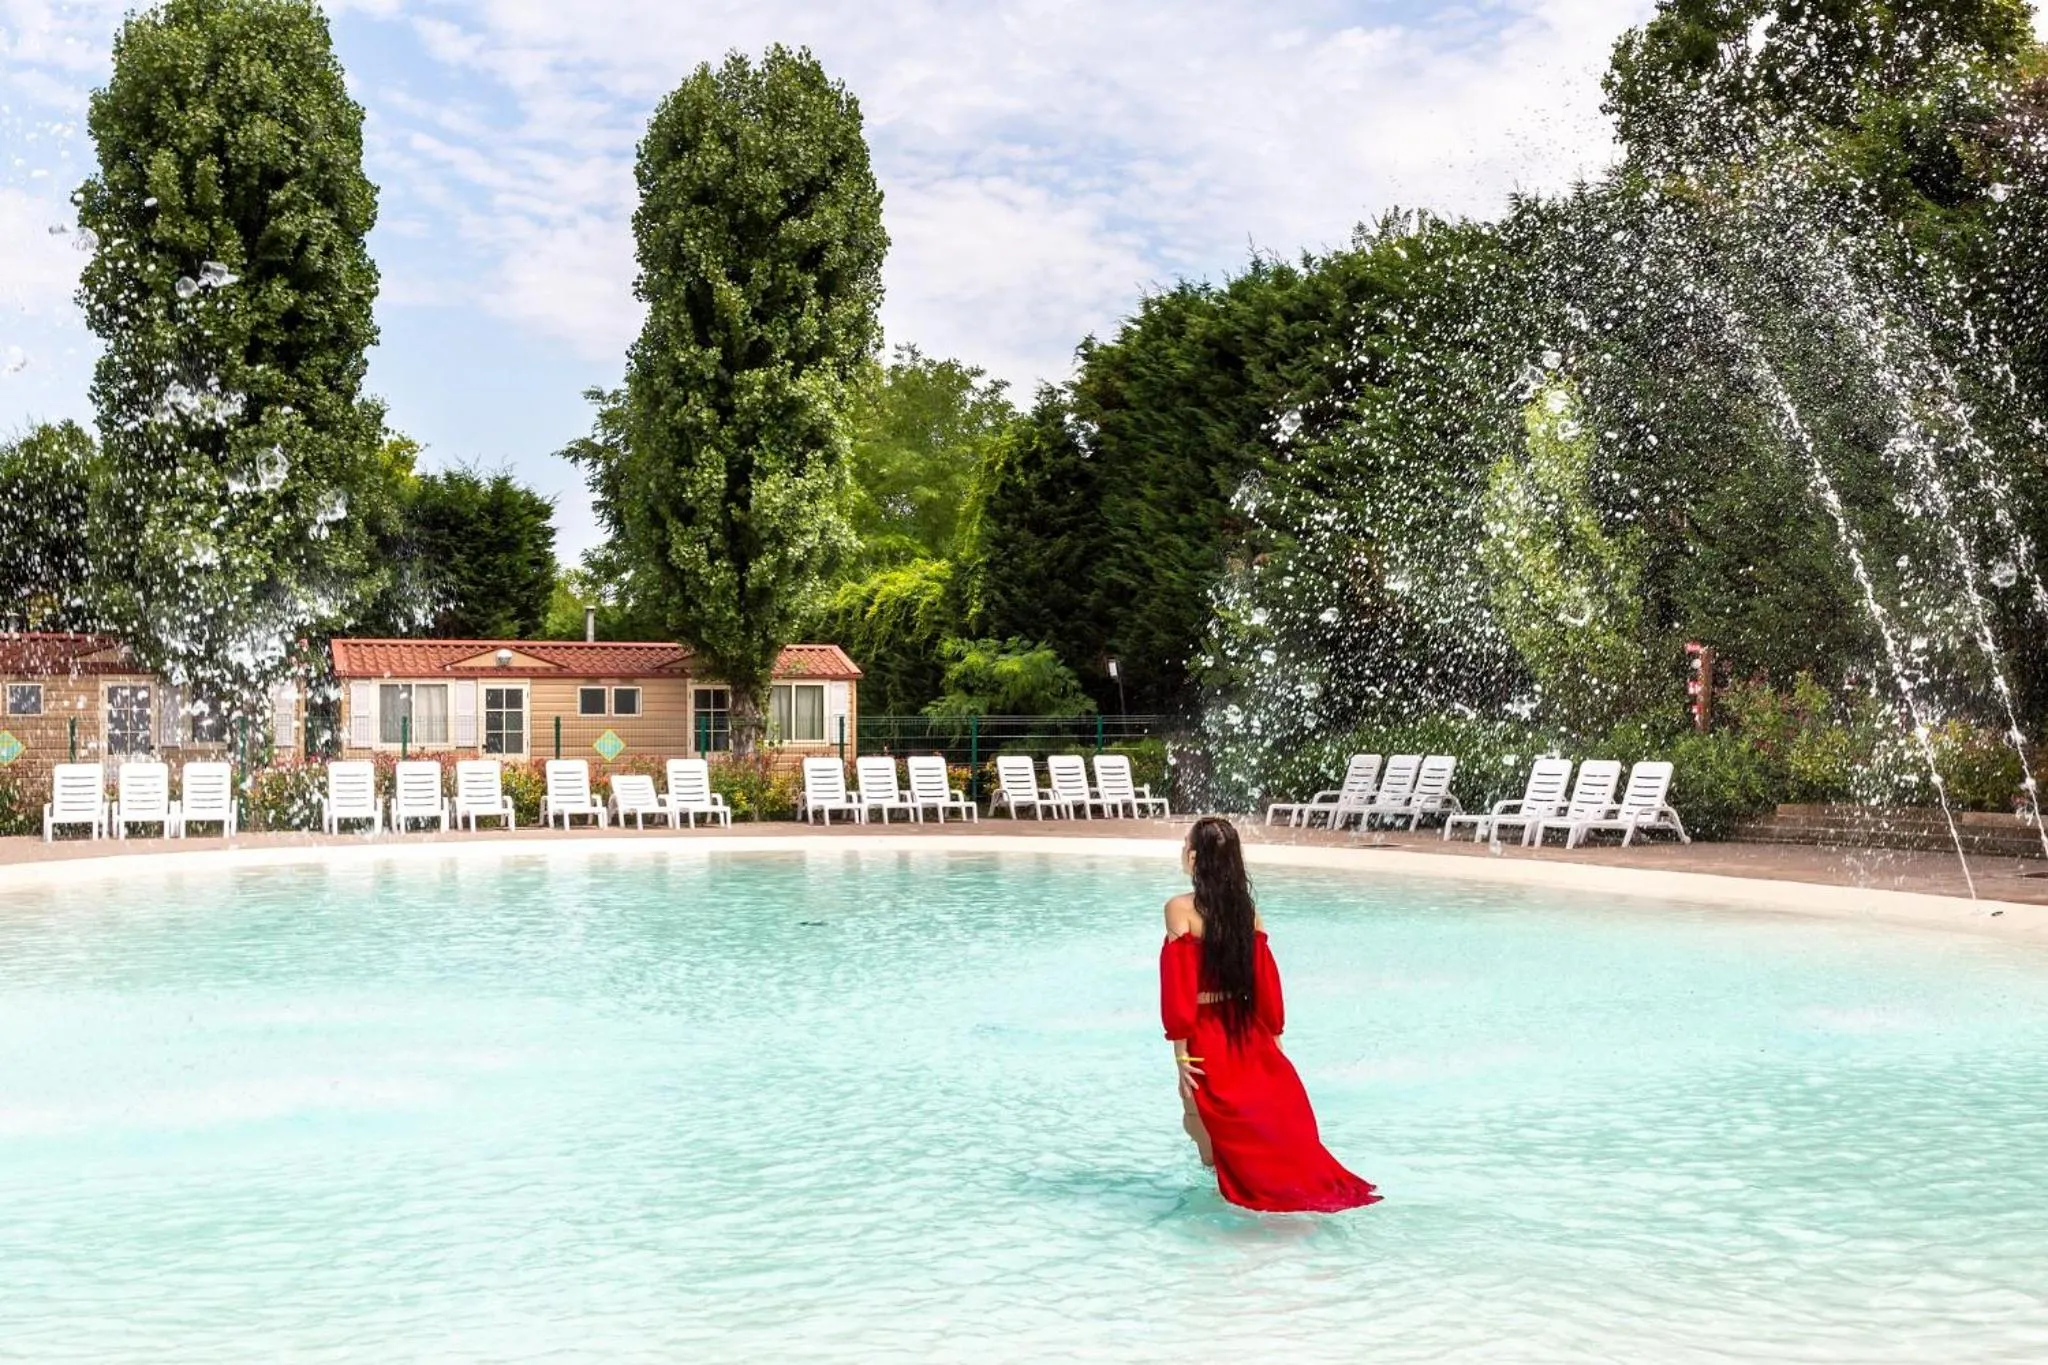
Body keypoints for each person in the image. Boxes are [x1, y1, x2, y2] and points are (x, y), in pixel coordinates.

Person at [1161, 815, 1381, 1213]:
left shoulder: (1179, 909)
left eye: (1184, 846)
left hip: (1206, 1031)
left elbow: (1180, 986)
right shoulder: (1247, 912)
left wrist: (1180, 1054)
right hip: (1247, 1028)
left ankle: (1215, 1188)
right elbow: (1265, 981)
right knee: (1247, 1115)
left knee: (1196, 1111)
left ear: (1194, 858)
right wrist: (1274, 1041)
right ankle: (1232, 1180)